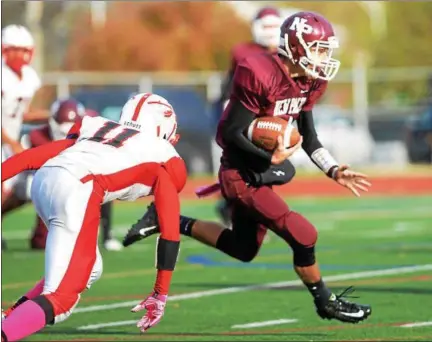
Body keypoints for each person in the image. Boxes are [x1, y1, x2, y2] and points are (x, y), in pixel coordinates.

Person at [123, 11, 372, 324]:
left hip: (261, 173)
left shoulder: (310, 80)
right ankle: (326, 302)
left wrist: (334, 169)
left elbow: (308, 135)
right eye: (320, 48)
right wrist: (270, 157)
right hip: (240, 173)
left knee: (243, 248)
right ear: (297, 47)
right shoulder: (259, 71)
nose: (325, 57)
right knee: (303, 234)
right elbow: (230, 133)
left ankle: (167, 218)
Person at [1, 93, 187, 340]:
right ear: (164, 128)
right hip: (78, 189)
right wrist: (160, 292)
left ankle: (10, 315)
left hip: (45, 180)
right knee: (62, 299)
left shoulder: (97, 125)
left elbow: (37, 155)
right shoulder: (164, 155)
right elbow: (170, 229)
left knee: (90, 268)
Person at [2, 99, 123, 251]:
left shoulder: (91, 133)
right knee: (27, 188)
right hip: (45, 185)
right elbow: (21, 160)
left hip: (77, 184)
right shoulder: (37, 137)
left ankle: (106, 235)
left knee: (101, 180)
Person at [215, 6, 283, 225]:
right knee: (243, 165)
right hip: (245, 116)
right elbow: (230, 84)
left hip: (272, 116)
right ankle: (232, 207)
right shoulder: (242, 51)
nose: (270, 31)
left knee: (268, 167)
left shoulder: (286, 52)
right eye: (266, 26)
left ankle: (254, 212)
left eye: (274, 25)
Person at [1, 25, 49, 250]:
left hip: (10, 141)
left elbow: (23, 114)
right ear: (5, 50)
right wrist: (11, 143)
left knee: (25, 190)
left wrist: (52, 115)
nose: (21, 55)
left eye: (24, 50)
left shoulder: (29, 77)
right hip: (6, 141)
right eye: (15, 50)